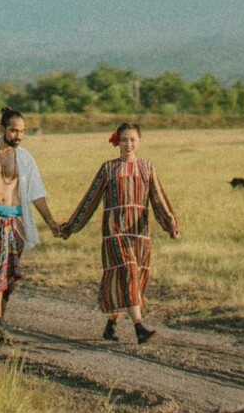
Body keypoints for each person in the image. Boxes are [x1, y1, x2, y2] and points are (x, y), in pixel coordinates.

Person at [62, 122, 179, 343]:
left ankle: (111, 325)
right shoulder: (108, 169)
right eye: (124, 140)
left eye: (132, 139)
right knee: (128, 270)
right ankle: (139, 328)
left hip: (140, 233)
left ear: (140, 142)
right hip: (114, 231)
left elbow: (158, 199)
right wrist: (71, 226)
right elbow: (90, 200)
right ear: (118, 141)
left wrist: (170, 224)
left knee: (129, 279)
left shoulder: (147, 168)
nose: (128, 144)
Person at [0, 106, 64, 342]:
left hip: (15, 219)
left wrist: (50, 221)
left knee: (6, 273)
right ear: (2, 129)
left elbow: (36, 192)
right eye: (14, 131)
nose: (18, 136)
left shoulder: (26, 158)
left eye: (22, 131)